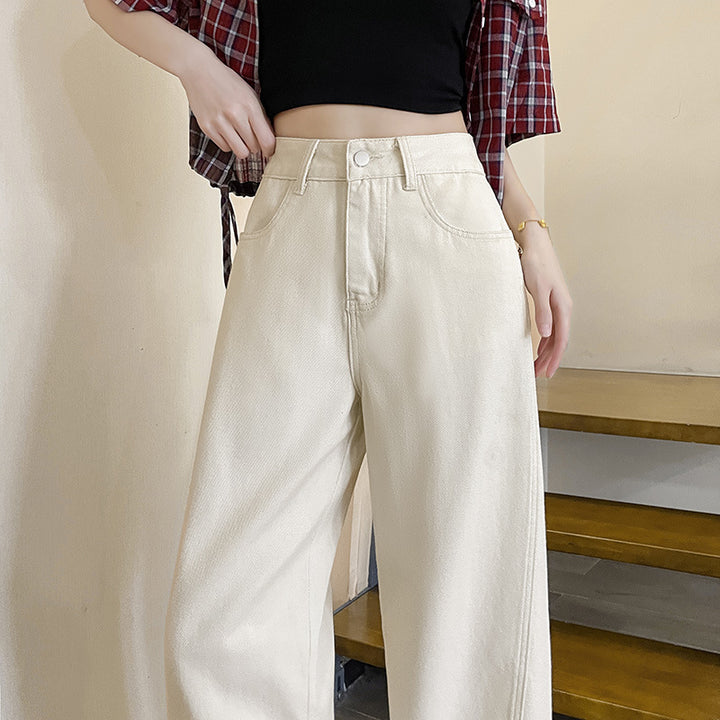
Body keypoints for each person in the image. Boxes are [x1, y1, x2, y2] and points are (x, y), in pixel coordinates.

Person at [85, 0, 573, 717]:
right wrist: (196, 68)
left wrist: (530, 228)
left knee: (467, 586)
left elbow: (477, 111)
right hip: (297, 207)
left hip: (450, 214)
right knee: (225, 605)